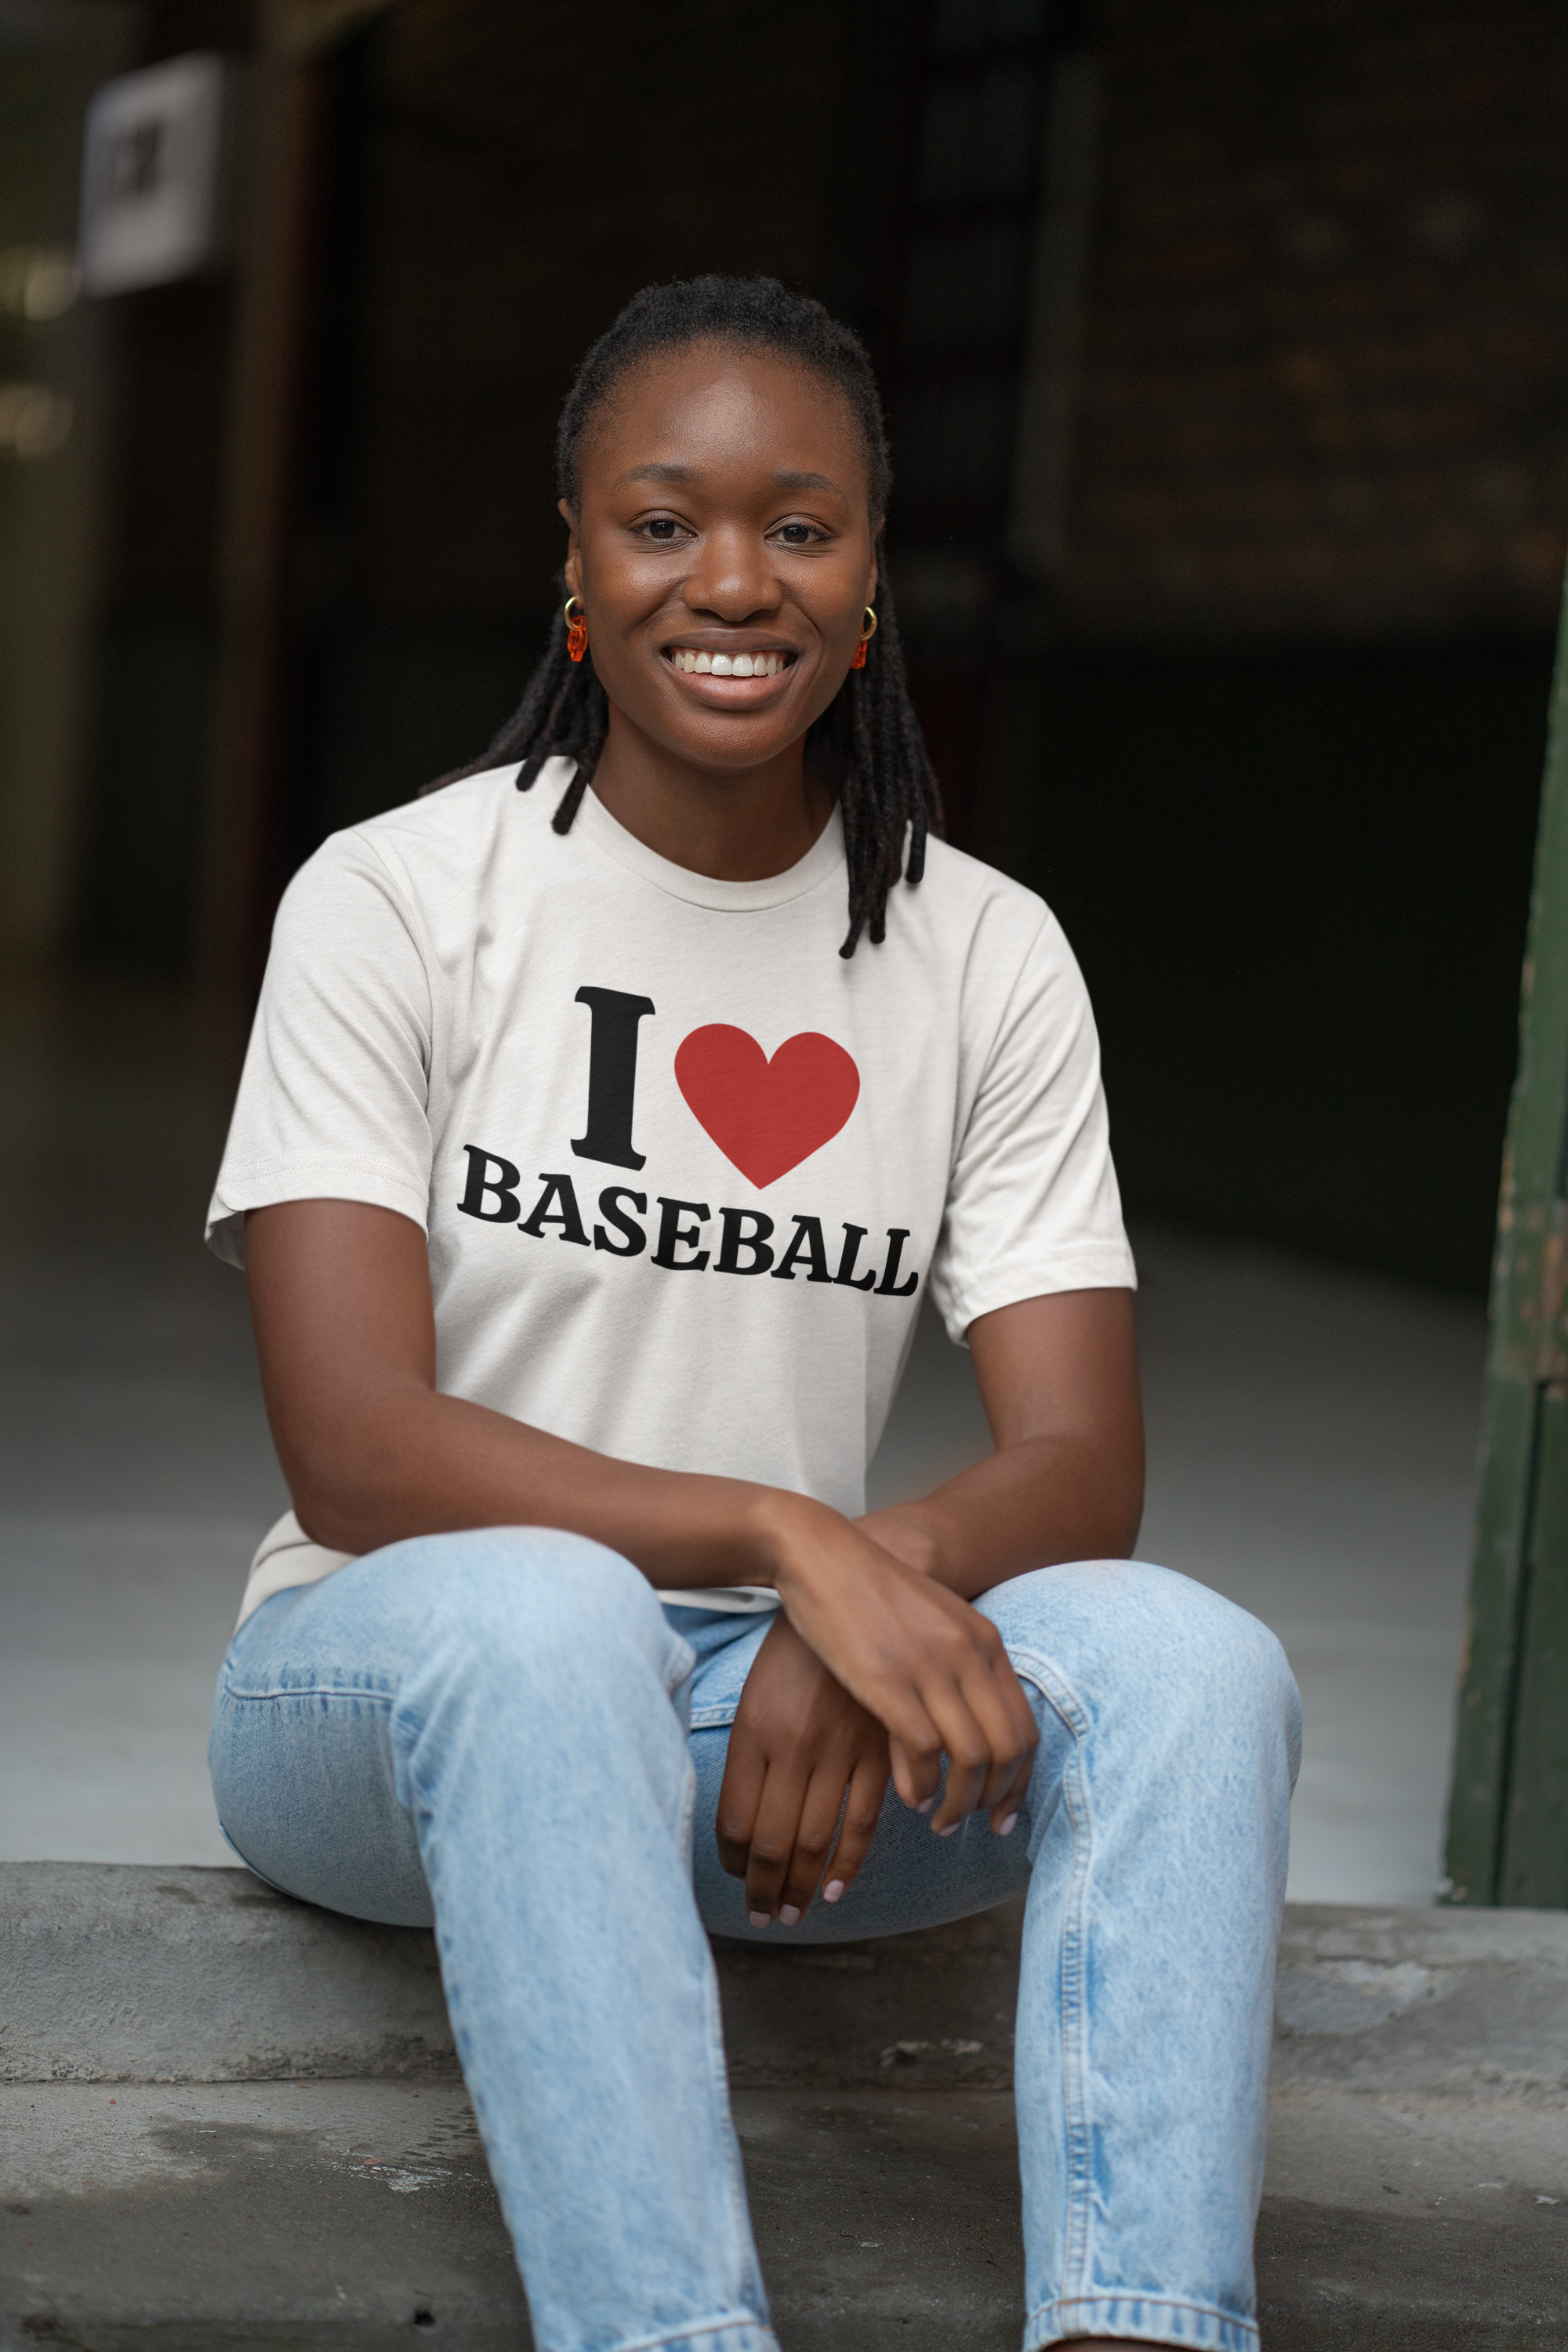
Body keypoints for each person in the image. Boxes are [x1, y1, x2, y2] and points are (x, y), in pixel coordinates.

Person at [206, 274, 1299, 2352]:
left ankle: (1142, 2328)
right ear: (577, 565)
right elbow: (351, 1443)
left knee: (1194, 1667)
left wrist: (852, 1594)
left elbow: (1086, 1460)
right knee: (545, 1619)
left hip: (762, 1742)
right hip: (388, 1686)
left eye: (800, 527)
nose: (733, 580)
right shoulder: (398, 897)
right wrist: (795, 1541)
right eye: (662, 521)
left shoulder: (983, 956)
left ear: (874, 577)